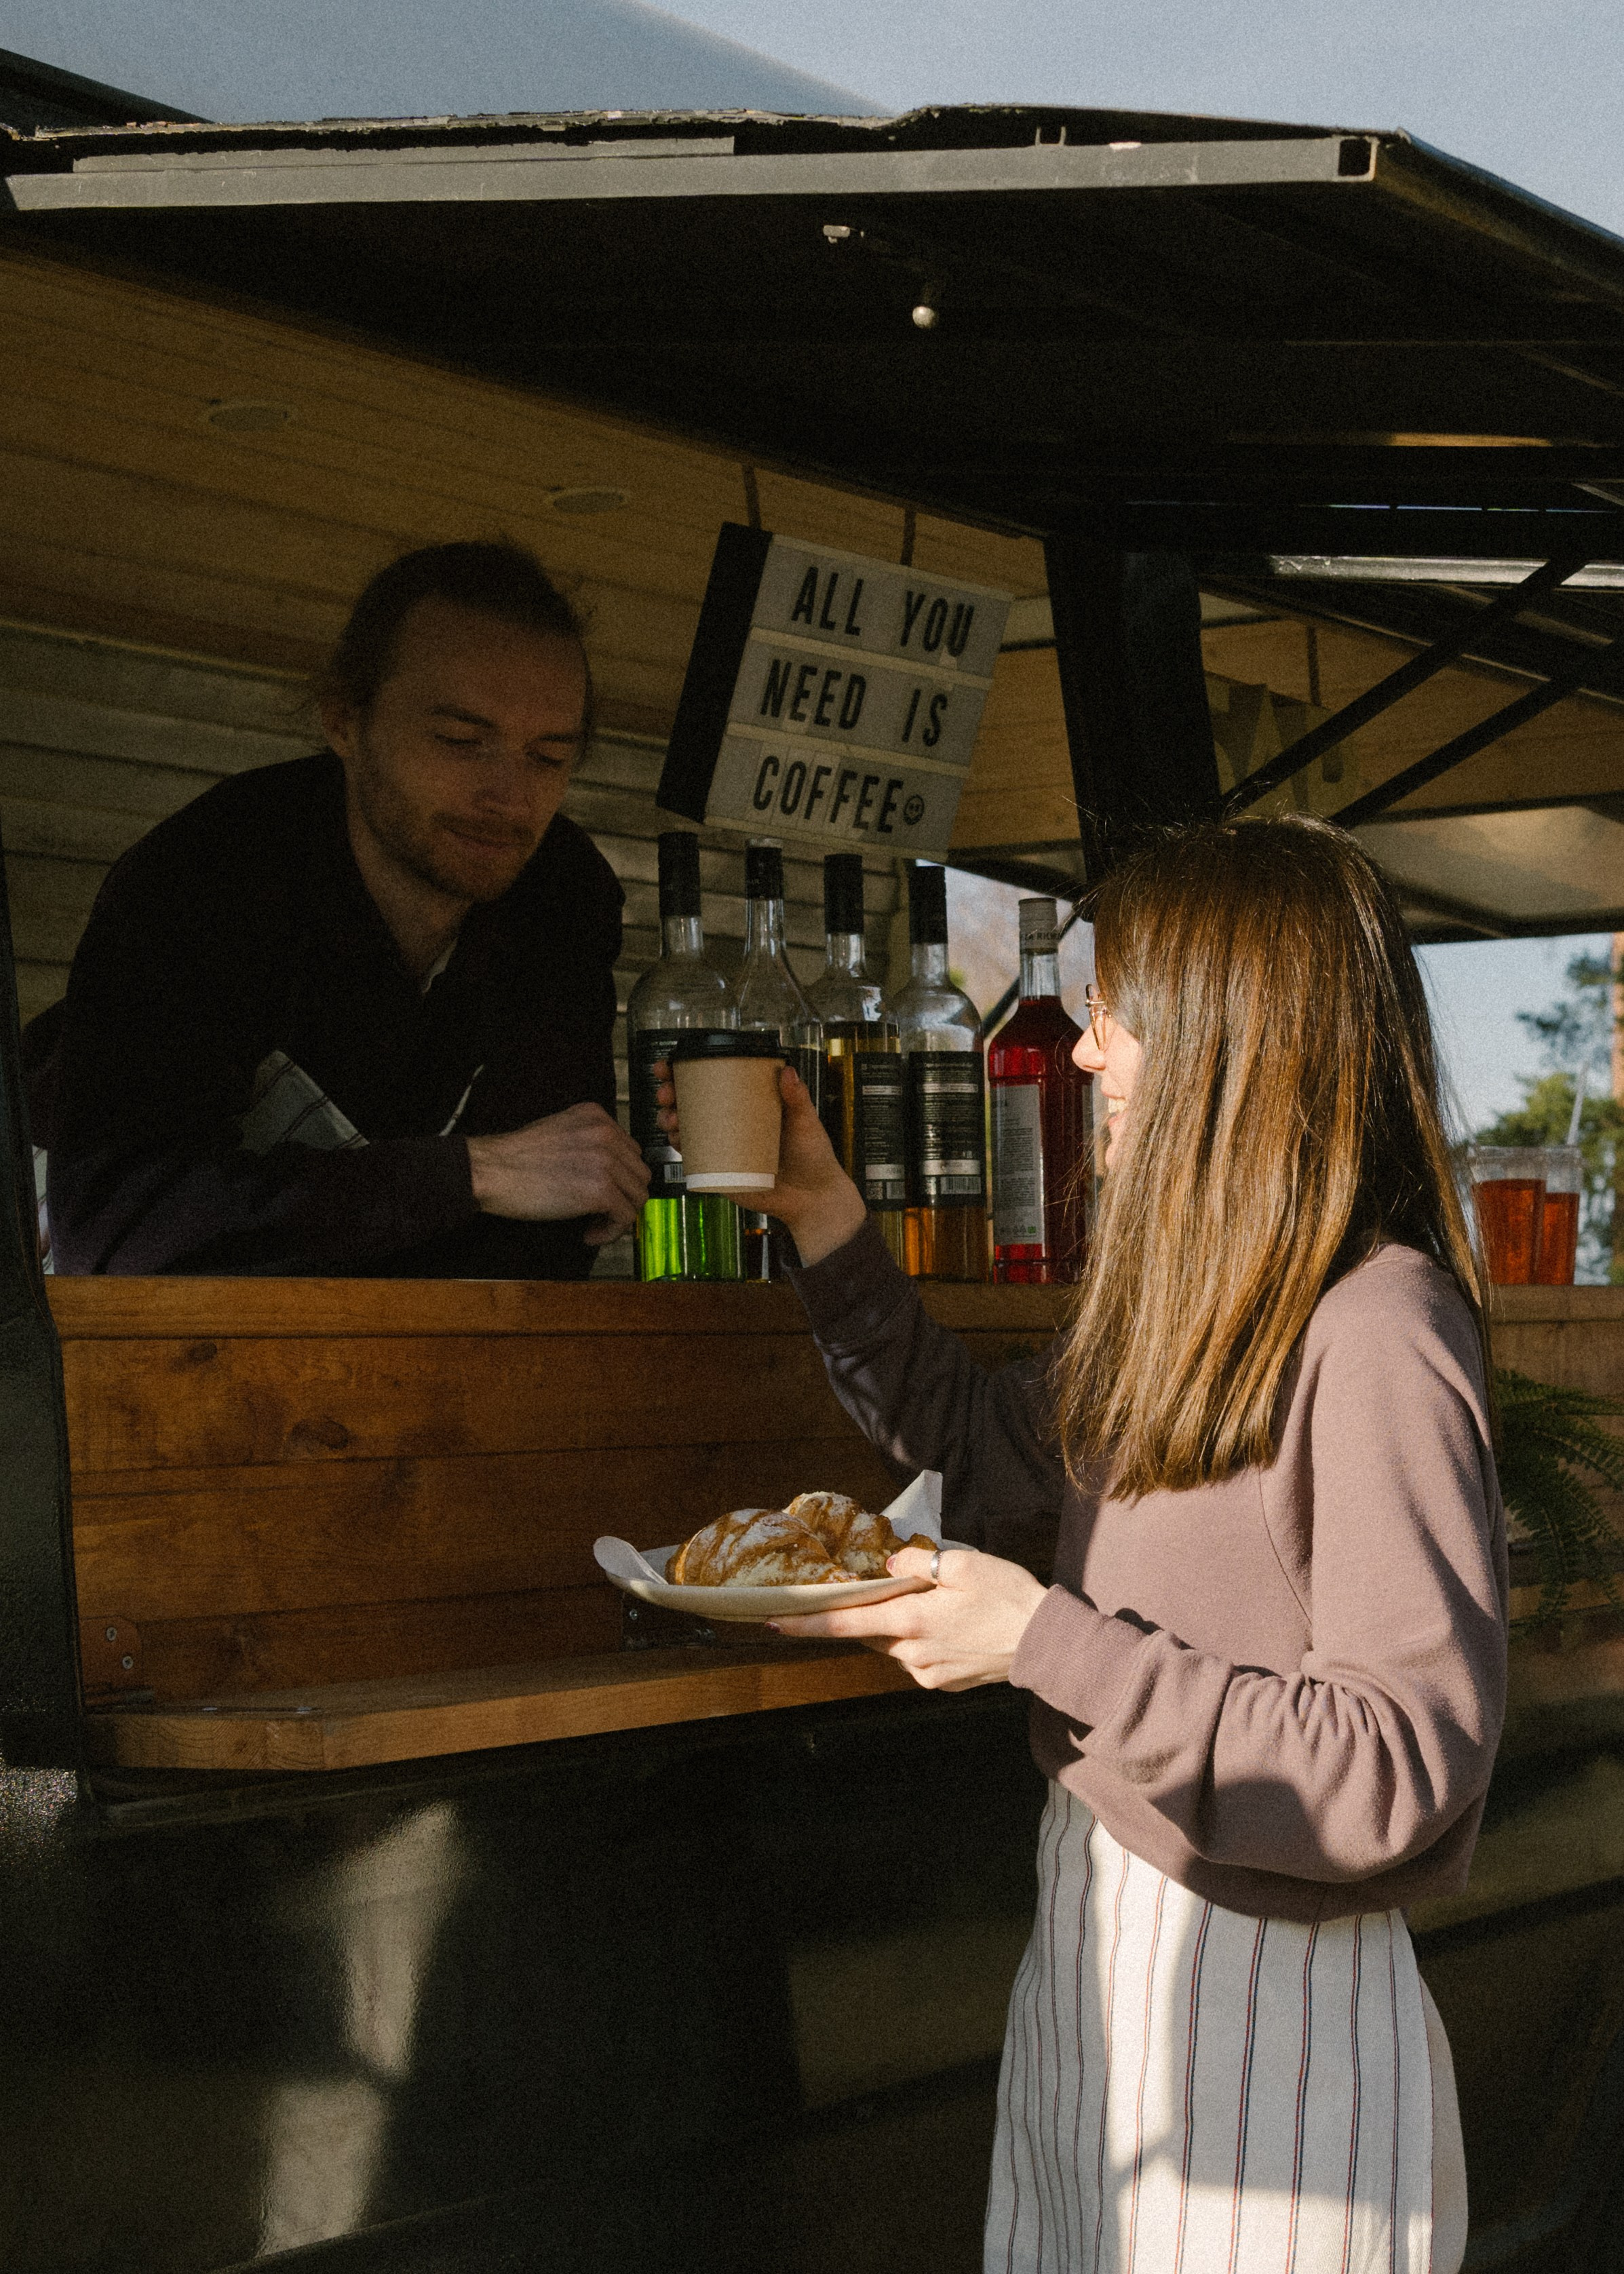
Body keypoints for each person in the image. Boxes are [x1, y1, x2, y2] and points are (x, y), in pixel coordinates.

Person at [662, 816, 1501, 2274]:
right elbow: (970, 1448)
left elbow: (1398, 1768)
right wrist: (821, 1211)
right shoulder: (1179, 1310)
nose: (1089, 1051)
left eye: (1118, 1010)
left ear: (1243, 1028)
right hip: (1096, 1946)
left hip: (1271, 2011)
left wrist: (1041, 1642)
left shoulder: (1377, 1330)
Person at [33, 540, 649, 1276]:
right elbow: (118, 1227)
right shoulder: (208, 874)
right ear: (344, 722)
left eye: (549, 757)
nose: (512, 799)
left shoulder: (563, 894)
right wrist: (470, 1175)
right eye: (461, 741)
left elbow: (553, 1222)